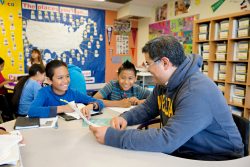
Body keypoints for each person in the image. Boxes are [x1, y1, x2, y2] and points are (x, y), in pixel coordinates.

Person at [89, 36, 244, 160]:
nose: (147, 68)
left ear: (164, 63)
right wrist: (126, 117)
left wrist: (113, 137)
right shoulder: (164, 82)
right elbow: (148, 108)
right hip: (186, 148)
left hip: (217, 158)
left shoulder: (196, 91)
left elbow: (167, 139)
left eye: (148, 63)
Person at [28, 60, 104, 118]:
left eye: (67, 76)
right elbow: (32, 111)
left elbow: (99, 102)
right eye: (60, 78)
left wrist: (90, 106)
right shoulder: (44, 93)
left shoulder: (73, 93)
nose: (66, 81)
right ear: (49, 80)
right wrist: (63, 108)